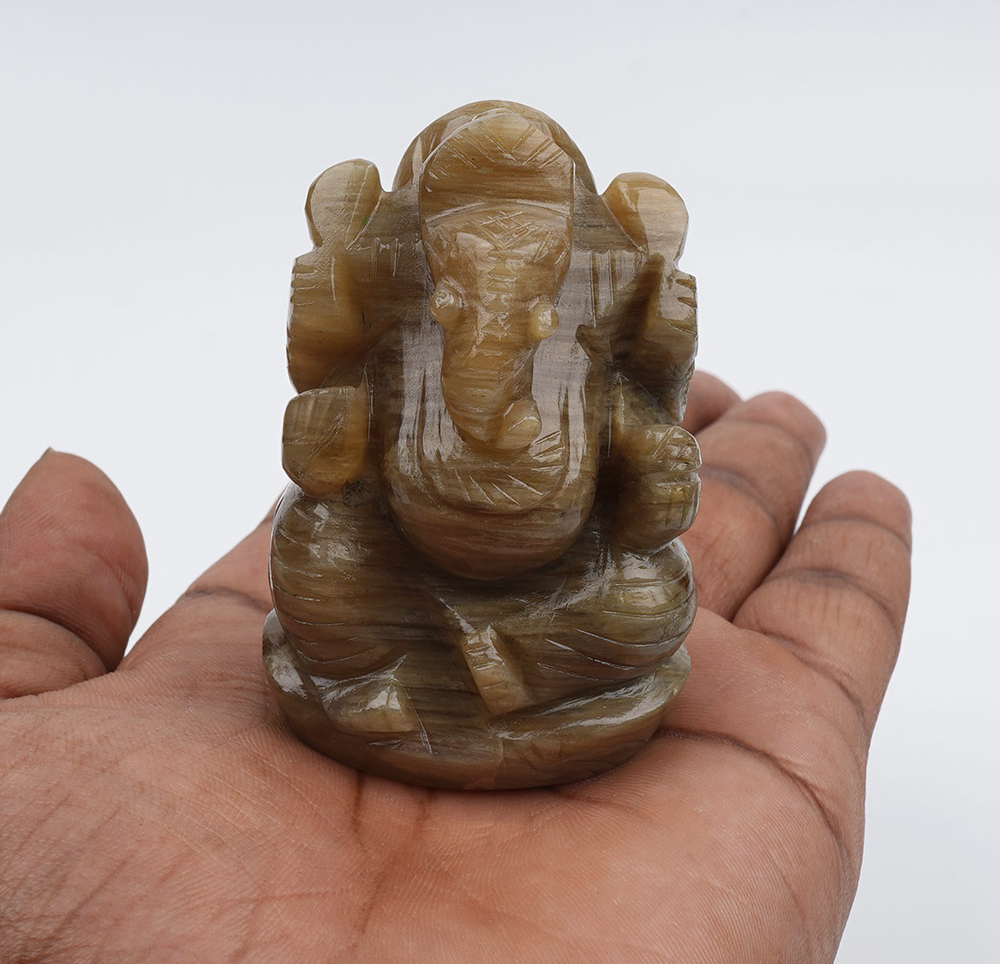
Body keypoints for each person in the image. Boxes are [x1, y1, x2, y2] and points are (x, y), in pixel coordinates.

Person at [0, 372, 911, 963]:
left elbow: (651, 505)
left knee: (655, 595)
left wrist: (659, 472)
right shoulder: (391, 357)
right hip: (401, 586)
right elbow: (323, 467)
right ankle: (378, 680)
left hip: (556, 594)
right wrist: (323, 443)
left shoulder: (596, 368)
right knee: (313, 546)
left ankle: (510, 669)